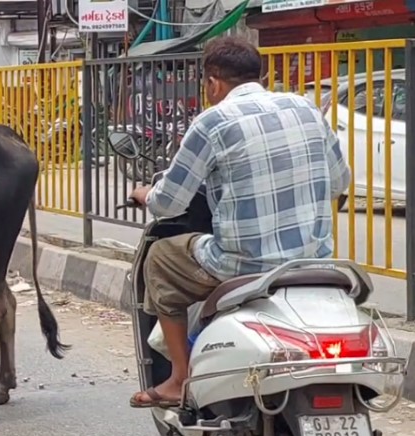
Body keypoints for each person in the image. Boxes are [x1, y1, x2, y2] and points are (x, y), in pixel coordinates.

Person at [128, 37, 351, 408]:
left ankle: (178, 379)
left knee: (160, 258)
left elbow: (168, 203)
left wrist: (144, 194)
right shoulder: (305, 108)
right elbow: (340, 182)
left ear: (213, 83)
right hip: (313, 261)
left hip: (243, 265)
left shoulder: (212, 122)